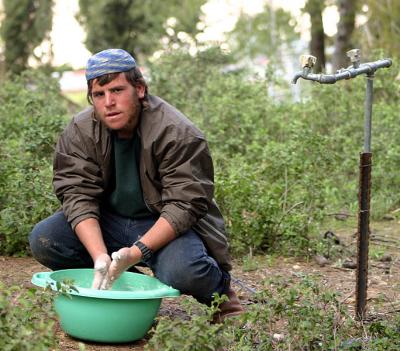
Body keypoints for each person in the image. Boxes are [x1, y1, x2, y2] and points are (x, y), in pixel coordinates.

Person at [29, 48, 243, 322]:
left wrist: (136, 252)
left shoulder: (177, 132)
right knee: (46, 239)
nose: (109, 102)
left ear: (140, 89)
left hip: (164, 225)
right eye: (99, 94)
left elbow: (184, 205)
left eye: (117, 90)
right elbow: (77, 195)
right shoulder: (80, 131)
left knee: (184, 271)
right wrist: (99, 256)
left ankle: (224, 300)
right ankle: (124, 282)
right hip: (109, 222)